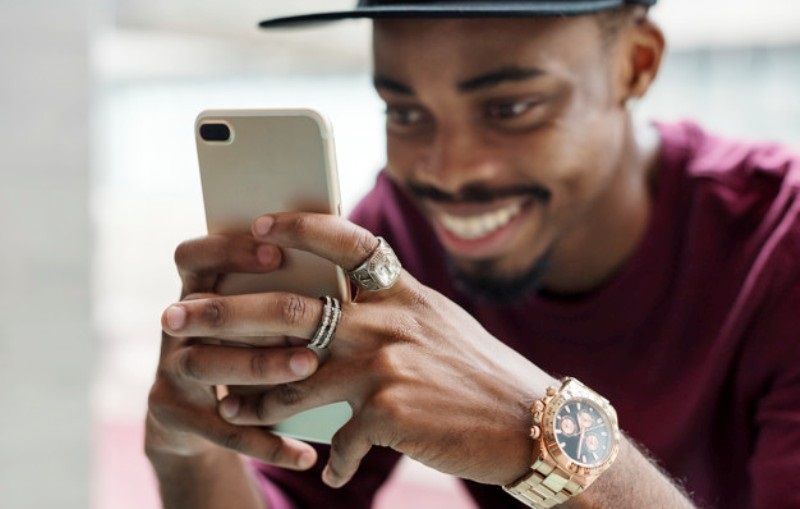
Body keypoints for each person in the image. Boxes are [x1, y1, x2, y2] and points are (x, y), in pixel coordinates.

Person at [145, 1, 800, 508]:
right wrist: (194, 455)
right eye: (404, 113)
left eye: (510, 107)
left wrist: (540, 432)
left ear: (636, 64)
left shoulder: (782, 241)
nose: (448, 172)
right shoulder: (394, 240)